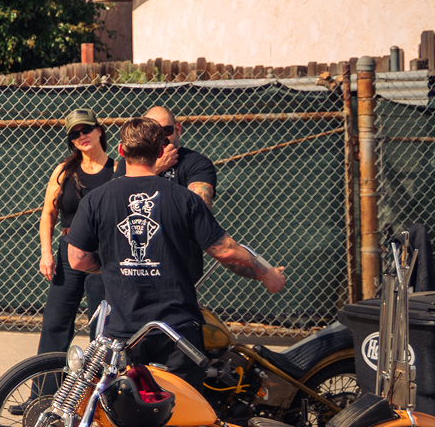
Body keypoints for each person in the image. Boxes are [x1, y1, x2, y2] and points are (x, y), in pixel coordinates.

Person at [67, 118, 287, 383]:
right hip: (176, 330)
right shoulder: (185, 199)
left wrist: (112, 261)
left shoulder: (96, 198)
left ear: (122, 151)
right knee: (181, 413)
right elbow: (226, 251)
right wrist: (266, 274)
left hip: (123, 331)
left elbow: (77, 259)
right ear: (161, 151)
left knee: (127, 410)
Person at [37, 109, 116, 357]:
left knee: (102, 327)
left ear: (99, 131)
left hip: (103, 254)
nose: (82, 136)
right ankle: (44, 392)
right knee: (54, 323)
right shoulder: (64, 170)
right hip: (67, 251)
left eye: (86, 130)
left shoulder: (117, 170)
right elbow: (48, 214)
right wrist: (46, 254)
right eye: (75, 134)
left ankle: (98, 392)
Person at [130, 105, 218, 206]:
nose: (161, 137)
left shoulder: (197, 163)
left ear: (178, 129)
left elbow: (200, 208)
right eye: (153, 132)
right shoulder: (132, 159)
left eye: (167, 130)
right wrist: (157, 167)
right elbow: (118, 197)